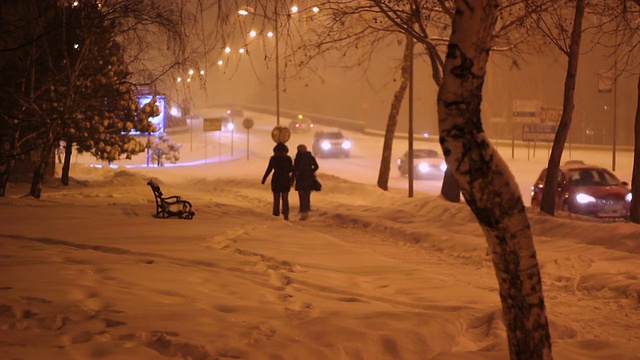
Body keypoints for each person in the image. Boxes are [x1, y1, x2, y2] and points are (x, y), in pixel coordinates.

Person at [262, 142, 294, 220]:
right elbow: (292, 169)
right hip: (285, 179)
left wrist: (264, 178)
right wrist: (292, 179)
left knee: (276, 198)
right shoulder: (288, 158)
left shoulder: (273, 158)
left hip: (276, 179)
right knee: (285, 198)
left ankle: (276, 214)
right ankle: (286, 214)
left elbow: (269, 169)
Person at [292, 144, 319, 220]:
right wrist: (310, 171)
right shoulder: (310, 157)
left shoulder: (298, 158)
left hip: (300, 178)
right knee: (307, 194)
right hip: (309, 178)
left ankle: (303, 211)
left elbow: (295, 169)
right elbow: (316, 166)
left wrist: (292, 179)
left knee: (301, 195)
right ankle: (307, 209)